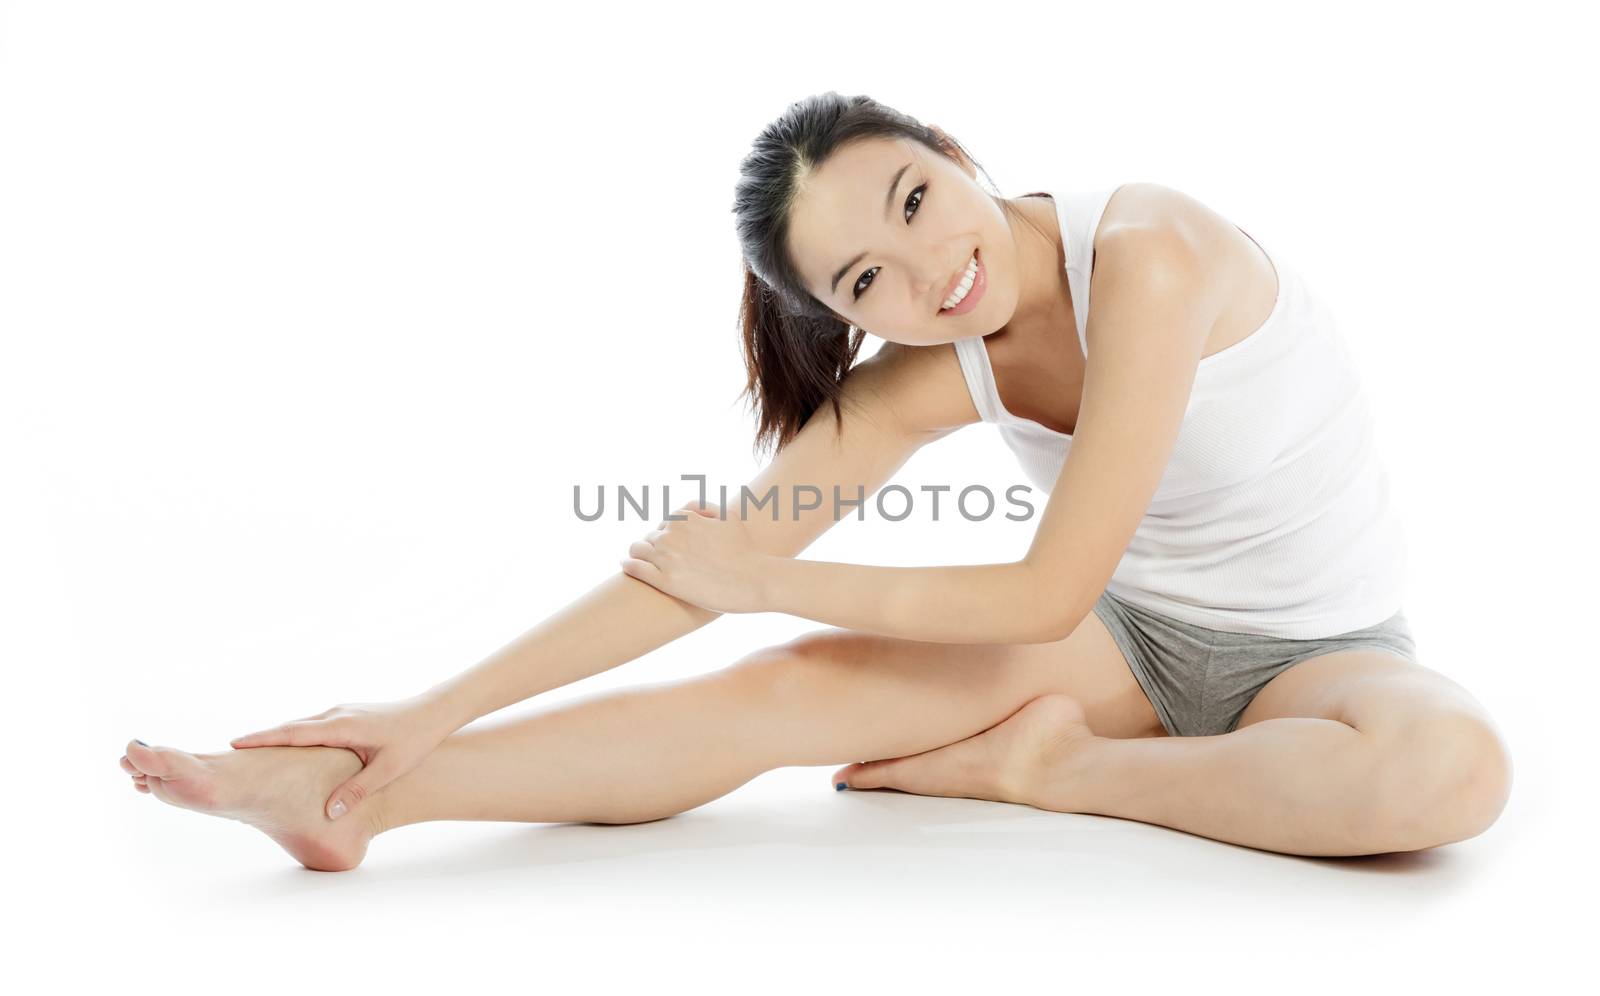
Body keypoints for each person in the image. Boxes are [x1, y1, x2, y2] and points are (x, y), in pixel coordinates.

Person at [119, 91, 1512, 870]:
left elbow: (1047, 587)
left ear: (955, 150)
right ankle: (355, 805)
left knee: (1449, 774)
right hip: (1130, 649)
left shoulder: (1148, 252)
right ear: (852, 316)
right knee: (769, 691)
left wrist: (766, 576)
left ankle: (1057, 774)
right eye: (869, 283)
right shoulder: (925, 368)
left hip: (1314, 655)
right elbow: (690, 579)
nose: (930, 275)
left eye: (915, 201)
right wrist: (424, 715)